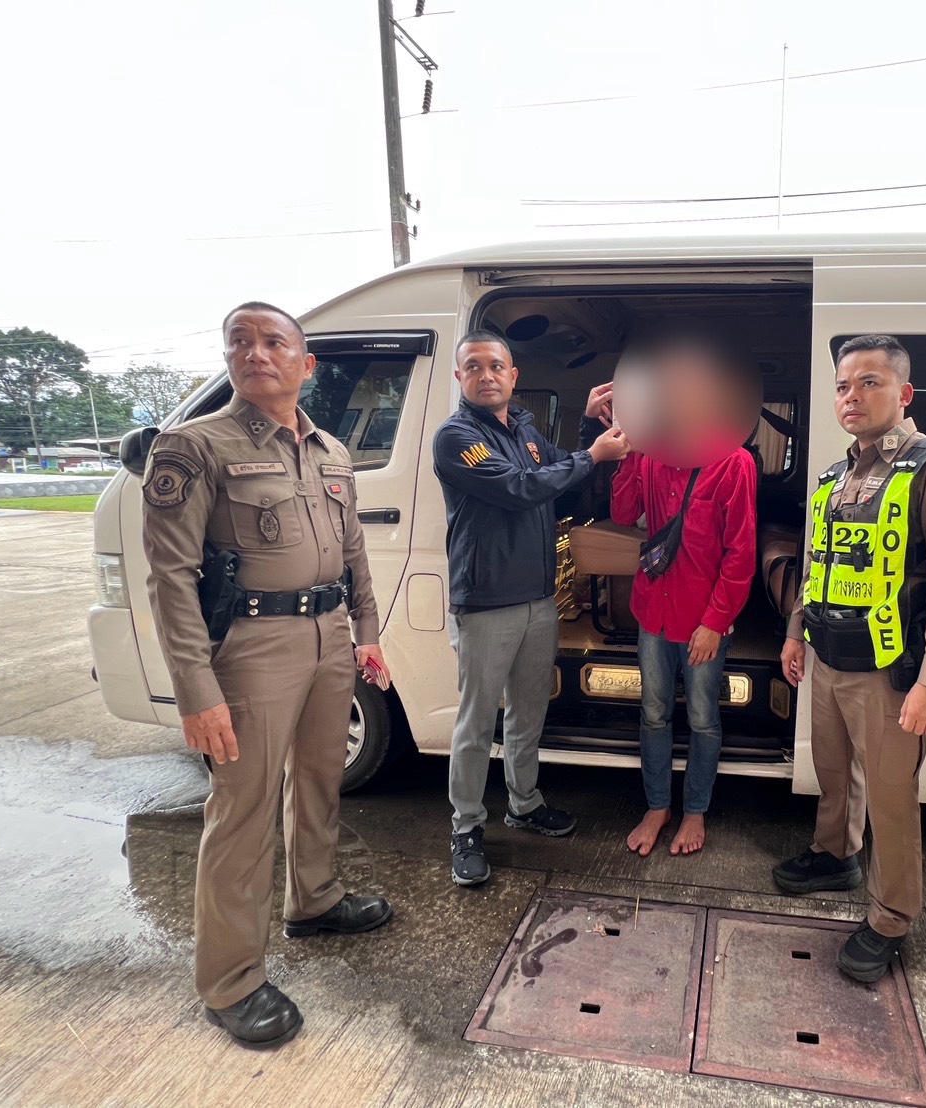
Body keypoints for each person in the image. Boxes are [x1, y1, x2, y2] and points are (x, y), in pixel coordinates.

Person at [142, 301, 393, 1050]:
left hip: (328, 636)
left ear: (305, 364)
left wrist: (367, 634)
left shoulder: (330, 450)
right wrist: (196, 690)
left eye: (274, 341)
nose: (256, 353)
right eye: (241, 342)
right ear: (226, 358)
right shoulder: (194, 446)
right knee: (243, 809)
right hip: (252, 647)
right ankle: (230, 982)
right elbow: (170, 579)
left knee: (319, 780)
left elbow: (353, 551)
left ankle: (314, 900)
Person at [774, 334, 926, 983]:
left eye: (869, 382)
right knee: (834, 772)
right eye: (843, 386)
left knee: (890, 797)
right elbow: (817, 563)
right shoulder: (835, 476)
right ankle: (834, 854)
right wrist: (794, 632)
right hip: (829, 655)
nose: (851, 397)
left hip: (892, 670)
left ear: (904, 392)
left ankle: (891, 917)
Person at [432, 329, 628, 888]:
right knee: (476, 722)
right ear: (460, 377)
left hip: (538, 600)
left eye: (496, 366)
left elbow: (558, 476)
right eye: (474, 366)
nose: (486, 375)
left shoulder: (522, 428)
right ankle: (466, 827)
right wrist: (594, 454)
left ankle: (524, 802)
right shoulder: (457, 437)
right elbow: (519, 487)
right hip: (486, 601)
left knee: (527, 713)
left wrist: (587, 428)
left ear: (513, 375)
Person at [611, 348, 758, 858]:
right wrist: (628, 452)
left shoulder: (734, 462)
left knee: (701, 718)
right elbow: (623, 512)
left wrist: (715, 623)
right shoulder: (651, 454)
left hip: (703, 620)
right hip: (653, 611)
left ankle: (694, 811)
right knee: (653, 713)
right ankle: (658, 807)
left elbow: (741, 554)